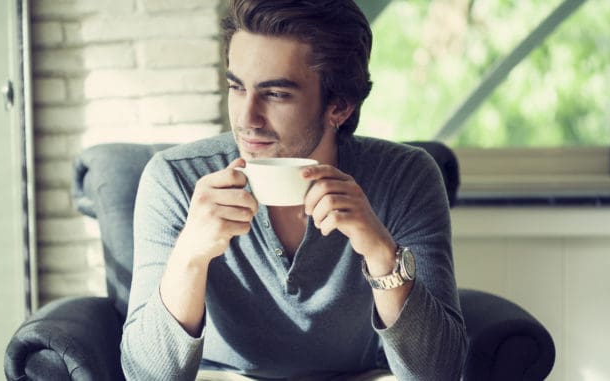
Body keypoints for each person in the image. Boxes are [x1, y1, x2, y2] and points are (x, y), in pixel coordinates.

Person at [121, 0, 467, 380]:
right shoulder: (175, 180)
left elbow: (439, 373)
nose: (247, 118)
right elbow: (145, 375)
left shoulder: (406, 177)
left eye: (276, 94)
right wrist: (189, 256)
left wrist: (381, 253)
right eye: (237, 87)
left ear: (339, 107)